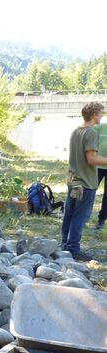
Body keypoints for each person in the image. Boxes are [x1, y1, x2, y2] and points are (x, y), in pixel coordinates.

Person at [61, 101, 107, 261]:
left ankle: (65, 245)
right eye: (101, 113)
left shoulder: (76, 131)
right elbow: (91, 159)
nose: (102, 116)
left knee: (70, 214)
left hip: (73, 180)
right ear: (94, 114)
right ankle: (73, 248)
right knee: (80, 216)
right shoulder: (91, 132)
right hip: (86, 183)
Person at [95, 118, 107, 229]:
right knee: (90, 190)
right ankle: (82, 217)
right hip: (97, 166)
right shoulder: (101, 126)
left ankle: (101, 219)